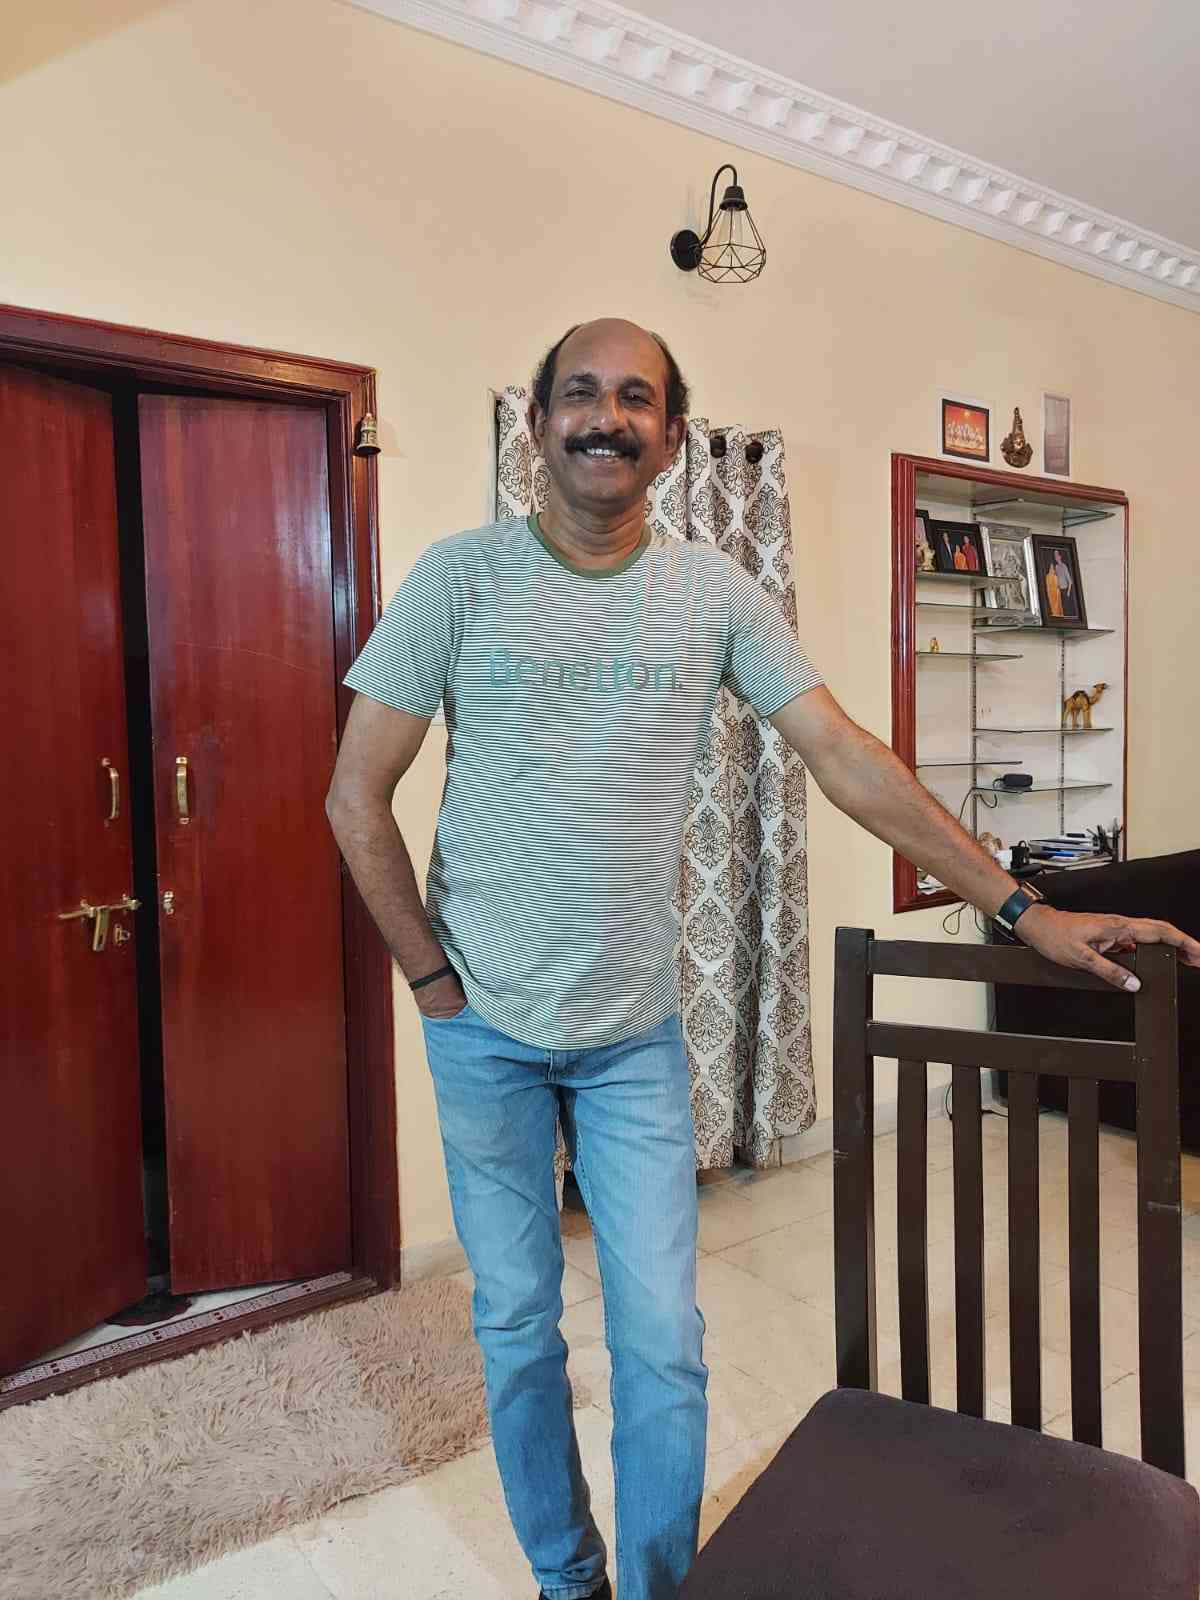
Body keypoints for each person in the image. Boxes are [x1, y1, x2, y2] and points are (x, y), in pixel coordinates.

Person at [325, 318, 1200, 1600]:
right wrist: (433, 985)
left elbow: (846, 757)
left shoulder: (716, 593)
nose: (606, 417)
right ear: (538, 424)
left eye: (636, 398)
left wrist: (1028, 909)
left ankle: (657, 1589)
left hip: (632, 1036)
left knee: (663, 1344)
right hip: (483, 1034)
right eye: (581, 394)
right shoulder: (457, 579)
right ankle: (568, 1581)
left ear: (672, 437)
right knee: (515, 1329)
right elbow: (356, 795)